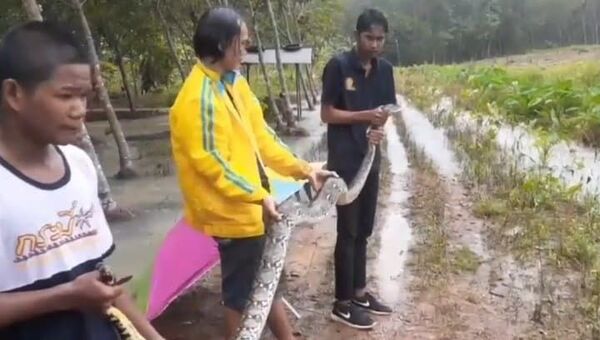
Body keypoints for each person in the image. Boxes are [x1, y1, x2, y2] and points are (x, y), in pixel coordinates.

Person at [169, 8, 334, 340]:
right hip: (233, 214)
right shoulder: (197, 98)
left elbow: (263, 139)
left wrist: (304, 170)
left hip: (255, 208)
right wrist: (258, 195)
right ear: (222, 44)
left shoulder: (235, 84)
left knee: (267, 283)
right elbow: (213, 166)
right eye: (241, 44)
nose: (246, 50)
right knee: (242, 298)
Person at [0, 21, 164, 340]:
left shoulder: (79, 165)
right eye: (66, 96)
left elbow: (102, 282)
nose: (79, 111)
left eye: (85, 97)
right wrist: (66, 296)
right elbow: (80, 291)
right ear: (14, 93)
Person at [320, 8, 397, 330]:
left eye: (380, 39)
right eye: (369, 38)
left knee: (365, 229)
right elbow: (327, 114)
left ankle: (360, 293)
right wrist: (364, 117)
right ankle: (341, 302)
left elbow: (386, 109)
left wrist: (379, 126)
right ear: (357, 35)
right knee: (347, 232)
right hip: (345, 161)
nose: (375, 45)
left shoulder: (385, 71)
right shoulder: (338, 67)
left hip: (370, 157)